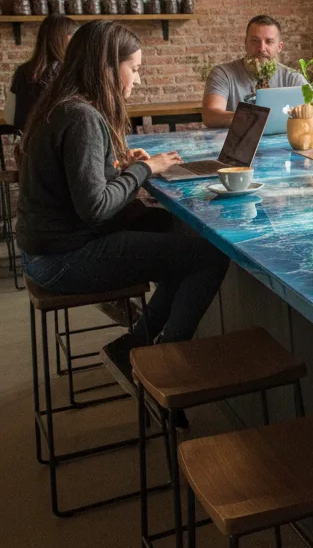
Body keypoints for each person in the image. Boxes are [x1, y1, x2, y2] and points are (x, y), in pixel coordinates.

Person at [18, 20, 230, 378]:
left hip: (47, 251)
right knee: (209, 258)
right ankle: (163, 368)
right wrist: (146, 170)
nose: (138, 79)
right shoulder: (82, 116)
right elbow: (96, 207)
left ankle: (133, 347)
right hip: (60, 259)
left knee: (177, 239)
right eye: (134, 68)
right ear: (106, 67)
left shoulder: (65, 106)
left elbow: (80, 186)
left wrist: (120, 167)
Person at [202, 14, 306, 128]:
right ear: (245, 43)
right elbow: (210, 115)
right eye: (255, 41)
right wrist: (253, 118)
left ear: (279, 47)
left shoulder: (293, 78)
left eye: (269, 41)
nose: (261, 48)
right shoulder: (223, 74)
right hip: (236, 142)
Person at [8, 14, 76, 131]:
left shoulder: (22, 70)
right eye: (74, 36)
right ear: (66, 38)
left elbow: (9, 116)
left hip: (27, 143)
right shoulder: (68, 71)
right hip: (57, 144)